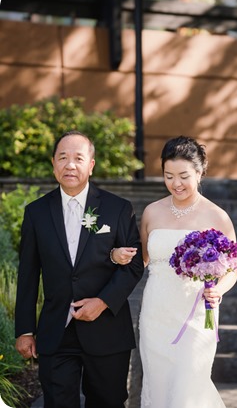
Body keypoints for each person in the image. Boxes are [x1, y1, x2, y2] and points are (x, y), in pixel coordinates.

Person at [15, 130, 144, 408]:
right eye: (62, 157)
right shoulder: (36, 212)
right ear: (53, 164)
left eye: (78, 158)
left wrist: (103, 302)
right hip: (56, 331)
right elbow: (28, 273)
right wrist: (24, 330)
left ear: (91, 165)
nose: (70, 165)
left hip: (107, 329)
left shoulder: (117, 209)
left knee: (108, 402)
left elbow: (134, 264)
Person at [138, 136, 237, 408]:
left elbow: (234, 267)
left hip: (195, 314)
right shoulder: (151, 212)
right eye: (168, 176)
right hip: (156, 314)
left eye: (183, 175)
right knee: (158, 387)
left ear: (200, 171)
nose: (176, 183)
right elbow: (142, 261)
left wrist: (219, 289)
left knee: (188, 388)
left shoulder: (217, 216)